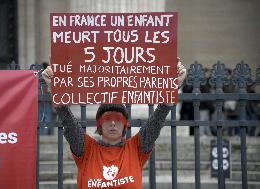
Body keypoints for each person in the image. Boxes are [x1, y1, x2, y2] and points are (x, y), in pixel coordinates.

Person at [42, 60, 187, 188]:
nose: (112, 123)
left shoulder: (136, 148)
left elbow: (155, 124)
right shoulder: (86, 149)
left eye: (118, 119)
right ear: (99, 125)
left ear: (125, 124)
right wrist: (56, 90)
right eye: (107, 118)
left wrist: (171, 90)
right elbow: (69, 123)